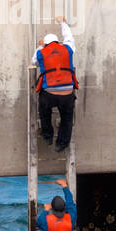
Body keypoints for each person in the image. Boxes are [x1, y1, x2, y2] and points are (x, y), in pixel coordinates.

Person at [35, 17, 78, 153]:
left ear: (46, 44)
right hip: (67, 94)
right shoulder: (67, 48)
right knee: (67, 118)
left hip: (49, 94)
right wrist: (62, 23)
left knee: (44, 111)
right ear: (57, 42)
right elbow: (69, 37)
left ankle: (47, 136)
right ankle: (61, 144)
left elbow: (34, 61)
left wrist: (40, 46)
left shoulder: (41, 52)